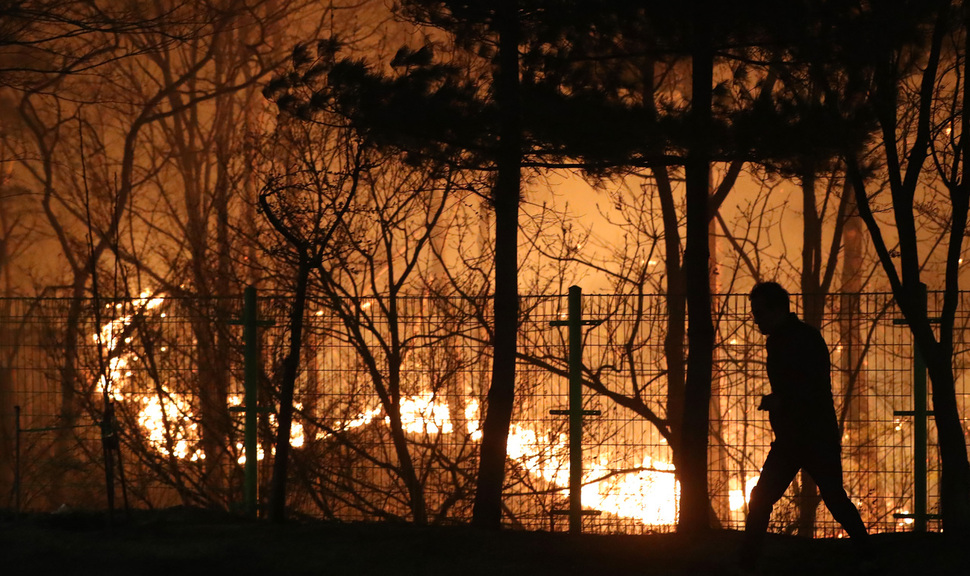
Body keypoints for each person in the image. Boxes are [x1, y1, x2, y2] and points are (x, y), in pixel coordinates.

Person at [739, 281, 872, 571]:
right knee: (831, 497)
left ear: (776, 310)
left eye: (759, 313)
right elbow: (810, 386)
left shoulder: (792, 340)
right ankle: (867, 553)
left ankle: (747, 563)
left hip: (805, 436)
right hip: (806, 435)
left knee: (766, 499)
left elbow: (808, 387)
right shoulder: (797, 337)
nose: (756, 319)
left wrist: (780, 401)